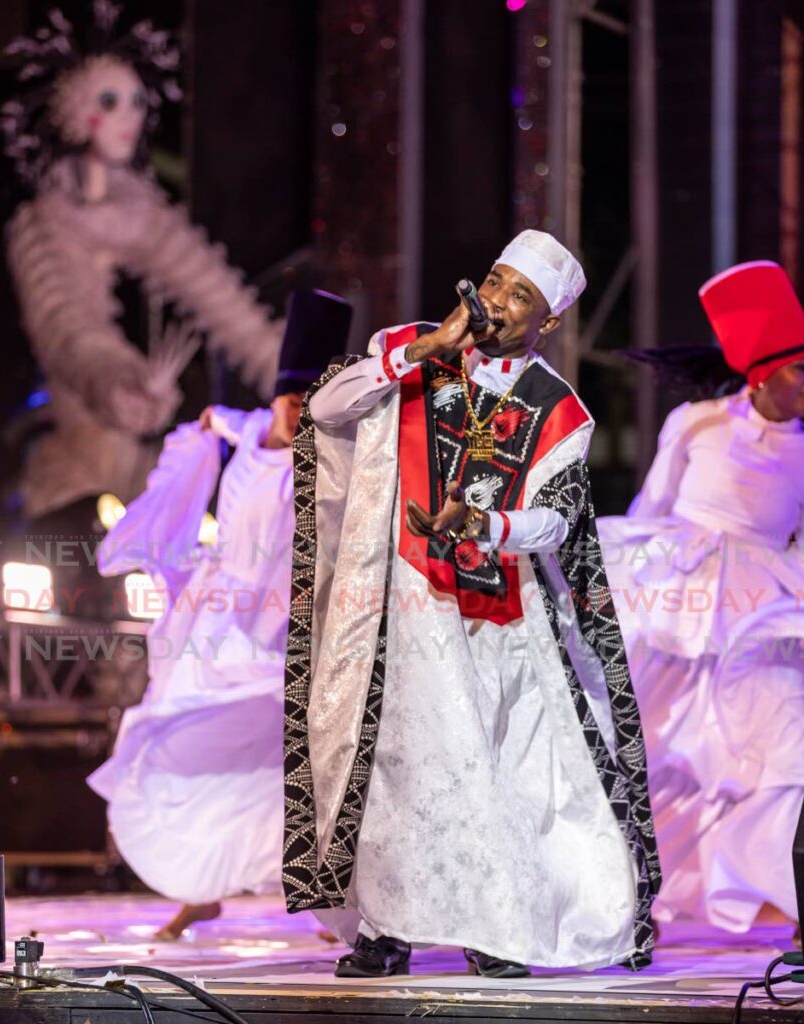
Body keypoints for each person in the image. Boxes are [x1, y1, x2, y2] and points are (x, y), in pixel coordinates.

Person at [282, 230, 660, 978]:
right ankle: (386, 930)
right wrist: (424, 352)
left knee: (493, 767)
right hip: (397, 607)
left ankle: (492, 922)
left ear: (545, 321)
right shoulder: (412, 348)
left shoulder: (560, 410)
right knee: (395, 765)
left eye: (520, 295)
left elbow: (556, 516)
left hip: (496, 619)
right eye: (495, 280)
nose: (496, 301)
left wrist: (485, 523)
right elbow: (324, 410)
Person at [88, 291, 351, 939]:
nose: (298, 418)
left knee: (289, 755)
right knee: (175, 732)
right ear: (278, 400)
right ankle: (194, 886)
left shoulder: (327, 463)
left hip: (273, 624)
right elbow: (214, 422)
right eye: (292, 405)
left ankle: (319, 892)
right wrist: (208, 425)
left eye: (309, 409)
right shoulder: (248, 427)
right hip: (211, 617)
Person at [0, 2, 282, 523]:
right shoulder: (45, 224)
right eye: (111, 100)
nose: (129, 114)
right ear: (77, 113)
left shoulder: (143, 210)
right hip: (77, 472)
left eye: (136, 101)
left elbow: (218, 296)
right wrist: (122, 384)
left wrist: (288, 370)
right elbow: (68, 327)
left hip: (141, 470)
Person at [598, 261, 804, 940]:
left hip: (760, 613)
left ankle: (781, 890)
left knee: (772, 753)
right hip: (680, 601)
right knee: (657, 750)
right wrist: (620, 585)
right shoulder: (695, 423)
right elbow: (649, 507)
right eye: (800, 369)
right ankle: (628, 894)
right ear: (762, 373)